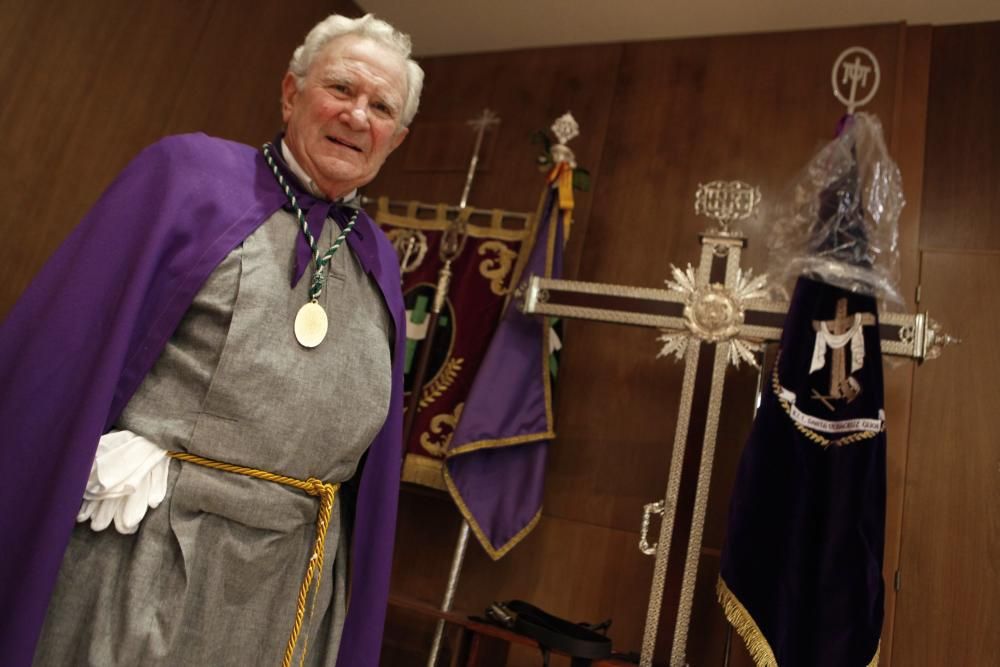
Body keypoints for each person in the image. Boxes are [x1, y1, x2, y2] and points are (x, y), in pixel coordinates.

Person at [0, 13, 423, 667]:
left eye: (380, 106)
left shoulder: (381, 262)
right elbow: (63, 352)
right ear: (291, 93)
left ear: (395, 138)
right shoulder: (187, 177)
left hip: (292, 583)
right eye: (341, 88)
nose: (357, 115)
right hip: (147, 552)